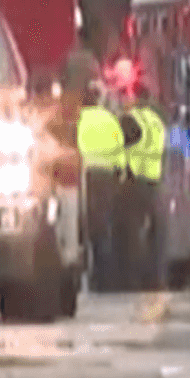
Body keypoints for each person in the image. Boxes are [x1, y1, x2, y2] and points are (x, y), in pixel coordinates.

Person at [112, 70, 167, 289]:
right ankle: (156, 279)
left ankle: (131, 281)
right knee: (155, 235)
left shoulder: (133, 120)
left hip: (134, 183)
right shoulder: (157, 121)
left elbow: (119, 142)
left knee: (131, 234)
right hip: (154, 183)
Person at [77, 85, 130, 292]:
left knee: (86, 225)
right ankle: (104, 278)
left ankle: (88, 273)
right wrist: (122, 172)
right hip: (107, 177)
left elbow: (74, 146)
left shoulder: (80, 119)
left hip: (86, 176)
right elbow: (119, 148)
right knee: (104, 225)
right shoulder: (109, 120)